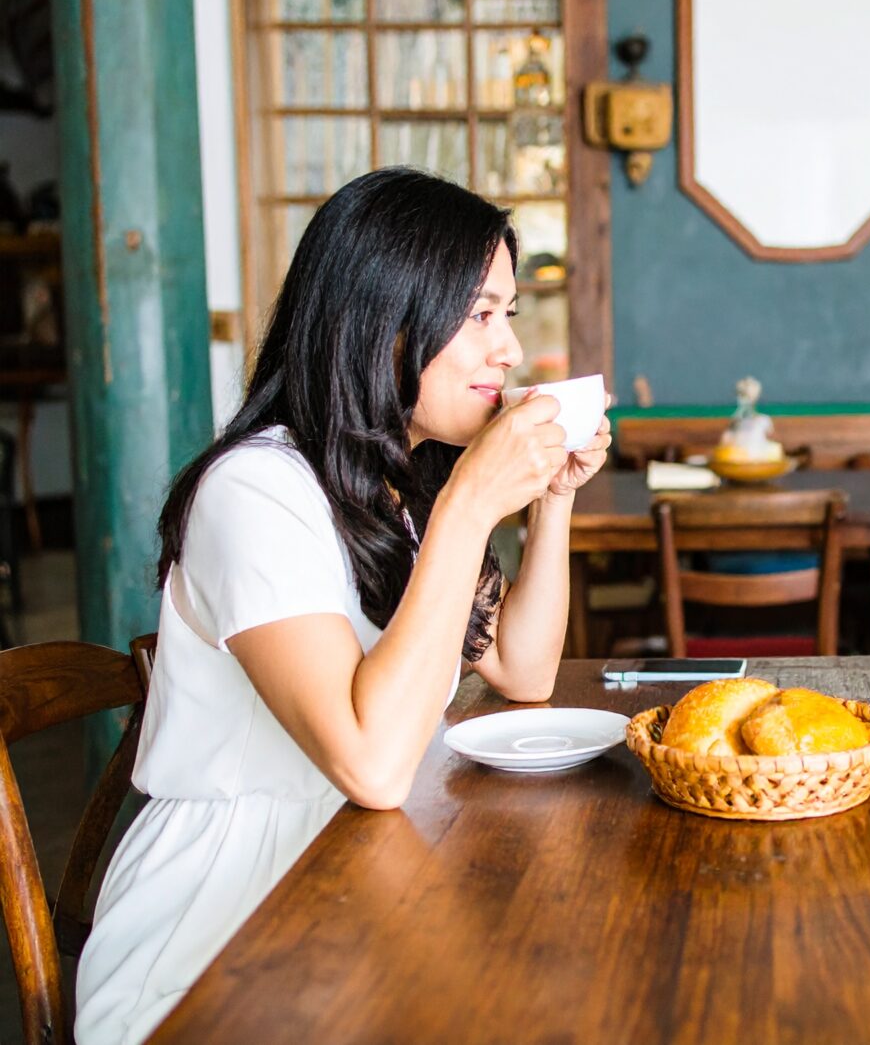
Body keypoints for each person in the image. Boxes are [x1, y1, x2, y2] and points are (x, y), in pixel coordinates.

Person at [75, 168, 608, 1044]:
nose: (508, 349)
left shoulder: (399, 491)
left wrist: (552, 497)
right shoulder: (254, 490)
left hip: (367, 884)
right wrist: (474, 504)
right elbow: (369, 763)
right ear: (384, 324)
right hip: (219, 933)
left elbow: (523, 668)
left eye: (506, 315)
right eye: (480, 314)